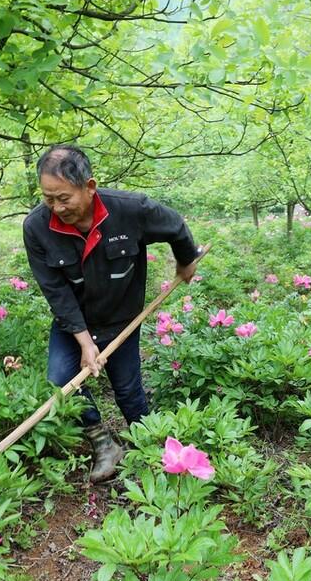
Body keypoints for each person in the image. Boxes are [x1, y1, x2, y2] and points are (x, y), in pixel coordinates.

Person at [23, 145, 199, 482]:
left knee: (128, 388)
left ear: (89, 187)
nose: (57, 208)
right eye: (48, 199)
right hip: (72, 320)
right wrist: (84, 341)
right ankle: (103, 444)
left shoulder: (131, 210)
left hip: (122, 318)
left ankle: (150, 447)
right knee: (63, 380)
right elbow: (55, 291)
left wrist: (185, 259)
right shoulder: (37, 227)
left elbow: (175, 225)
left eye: (64, 198)